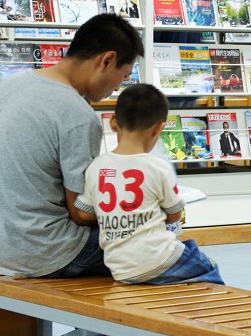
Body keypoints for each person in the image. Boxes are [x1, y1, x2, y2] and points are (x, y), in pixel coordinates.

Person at [0, 13, 187, 336]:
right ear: (107, 59)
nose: (117, 88)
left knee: (120, 245)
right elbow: (82, 212)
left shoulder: (10, 86)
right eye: (122, 77)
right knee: (159, 259)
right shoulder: (76, 114)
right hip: (43, 250)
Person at [73, 83, 223, 288]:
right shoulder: (158, 167)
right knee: (206, 264)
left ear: (113, 122)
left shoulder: (96, 167)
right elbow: (175, 215)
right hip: (159, 259)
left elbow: (83, 214)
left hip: (120, 268)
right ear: (159, 128)